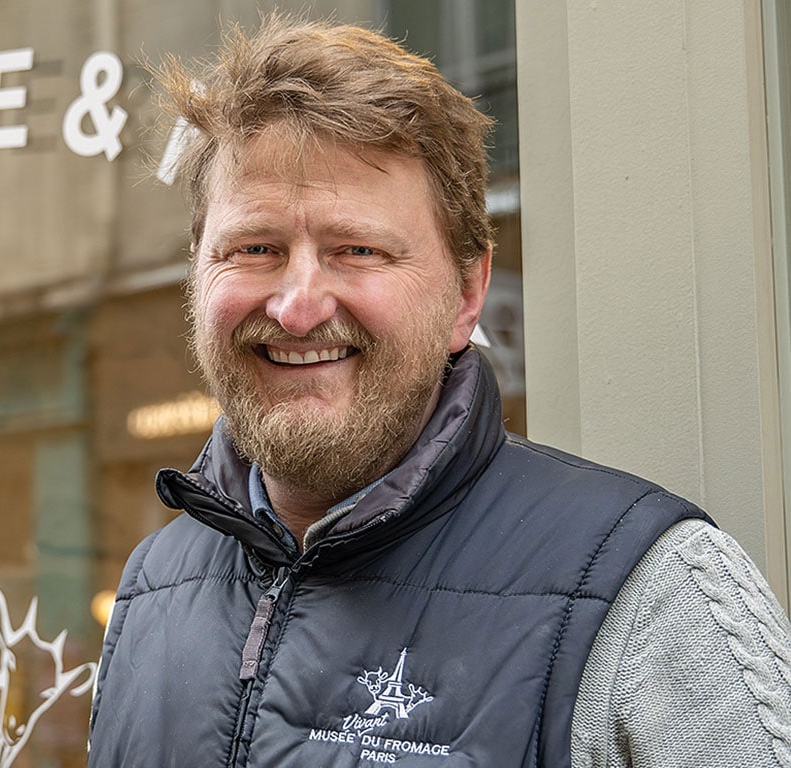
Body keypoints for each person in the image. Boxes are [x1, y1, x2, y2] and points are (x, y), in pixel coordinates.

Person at [87, 15, 791, 768]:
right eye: (254, 249)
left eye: (357, 250)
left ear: (466, 293)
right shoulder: (152, 588)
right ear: (199, 275)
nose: (297, 306)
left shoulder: (651, 594)